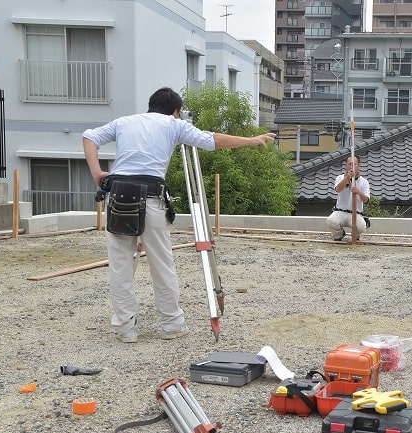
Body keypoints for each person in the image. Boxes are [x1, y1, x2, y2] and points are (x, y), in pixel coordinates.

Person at [83, 87, 275, 343]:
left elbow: (89, 137)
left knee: (120, 266)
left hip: (117, 197)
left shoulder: (124, 122)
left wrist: (97, 174)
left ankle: (124, 328)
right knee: (161, 264)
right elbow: (211, 140)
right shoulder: (173, 125)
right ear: (176, 111)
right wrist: (251, 140)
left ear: (151, 105)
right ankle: (171, 324)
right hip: (151, 199)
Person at [326, 155, 370, 241]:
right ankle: (339, 234)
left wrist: (358, 192)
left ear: (359, 165)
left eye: (354, 164)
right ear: (346, 165)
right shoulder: (340, 178)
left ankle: (356, 235)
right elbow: (338, 189)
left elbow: (366, 200)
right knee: (331, 221)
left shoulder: (364, 182)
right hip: (340, 212)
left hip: (356, 213)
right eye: (349, 164)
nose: (352, 166)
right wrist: (347, 178)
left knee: (361, 226)